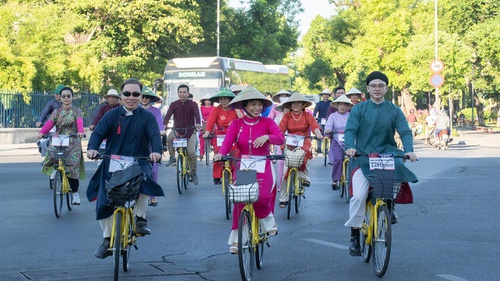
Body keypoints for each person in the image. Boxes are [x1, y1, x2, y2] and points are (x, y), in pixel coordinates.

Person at [86, 78, 164, 259]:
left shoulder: (148, 117)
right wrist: (92, 148)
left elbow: (154, 137)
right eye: (127, 94)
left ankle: (140, 219)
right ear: (121, 96)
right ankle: (107, 240)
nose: (131, 97)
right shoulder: (111, 115)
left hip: (139, 161)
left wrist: (157, 153)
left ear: (141, 96)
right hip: (112, 162)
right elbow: (98, 133)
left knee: (145, 178)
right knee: (103, 199)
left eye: (136, 94)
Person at [344, 71, 418, 256]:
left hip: (386, 154)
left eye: (381, 86)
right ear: (367, 89)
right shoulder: (358, 109)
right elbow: (350, 130)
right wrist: (350, 147)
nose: (377, 89)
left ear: (386, 88)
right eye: (373, 86)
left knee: (399, 167)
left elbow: (405, 131)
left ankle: (390, 206)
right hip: (363, 156)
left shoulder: (394, 110)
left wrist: (409, 149)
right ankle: (354, 234)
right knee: (359, 196)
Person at [213, 86, 285, 253]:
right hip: (244, 165)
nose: (257, 108)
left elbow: (280, 137)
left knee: (262, 195)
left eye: (259, 104)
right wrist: (220, 154)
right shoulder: (236, 124)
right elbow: (227, 143)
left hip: (264, 164)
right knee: (241, 200)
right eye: (252, 104)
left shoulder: (268, 122)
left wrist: (268, 136)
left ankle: (267, 219)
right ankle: (238, 240)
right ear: (244, 106)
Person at [37, 86, 86, 205]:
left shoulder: (76, 111)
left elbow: (79, 122)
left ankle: (75, 194)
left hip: (73, 140)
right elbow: (50, 123)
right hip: (59, 139)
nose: (66, 98)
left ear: (72, 97)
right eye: (63, 96)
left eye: (68, 96)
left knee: (72, 167)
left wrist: (80, 131)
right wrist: (42, 132)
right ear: (60, 98)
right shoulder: (56, 112)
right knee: (51, 155)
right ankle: (55, 169)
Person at [278, 92, 323, 207]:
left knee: (303, 156)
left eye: (299, 102)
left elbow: (314, 125)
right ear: (290, 104)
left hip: (304, 141)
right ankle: (283, 198)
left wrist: (318, 133)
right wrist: (278, 138)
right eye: (294, 103)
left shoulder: (307, 115)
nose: (296, 105)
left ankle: (305, 177)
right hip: (290, 141)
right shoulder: (287, 116)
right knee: (285, 171)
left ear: (303, 104)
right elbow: (280, 130)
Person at [202, 88, 243, 184]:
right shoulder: (216, 110)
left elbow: (242, 119)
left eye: (225, 99)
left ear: (230, 99)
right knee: (218, 155)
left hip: (234, 135)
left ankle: (235, 175)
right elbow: (211, 122)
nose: (223, 101)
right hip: (220, 135)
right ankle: (216, 176)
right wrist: (207, 132)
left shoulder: (235, 109)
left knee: (235, 155)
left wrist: (236, 107)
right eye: (220, 99)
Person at [163, 84, 202, 184]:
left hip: (190, 131)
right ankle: (172, 157)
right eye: (180, 92)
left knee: (192, 153)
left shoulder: (193, 104)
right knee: (168, 137)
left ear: (188, 93)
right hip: (177, 131)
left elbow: (197, 115)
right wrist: (164, 125)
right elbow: (167, 116)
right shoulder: (173, 104)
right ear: (177, 93)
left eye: (184, 92)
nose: (182, 94)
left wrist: (197, 124)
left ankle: (193, 173)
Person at [140, 86, 165, 207]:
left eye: (147, 97)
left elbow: (160, 125)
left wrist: (160, 131)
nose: (144, 99)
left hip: (151, 143)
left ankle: (153, 196)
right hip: (137, 143)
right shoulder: (134, 109)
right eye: (142, 96)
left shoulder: (156, 111)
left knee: (153, 170)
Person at [324, 94, 352, 190]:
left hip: (350, 140)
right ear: (337, 106)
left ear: (348, 106)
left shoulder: (351, 115)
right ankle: (335, 180)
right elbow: (328, 127)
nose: (343, 106)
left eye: (345, 105)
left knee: (354, 159)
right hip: (336, 140)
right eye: (340, 104)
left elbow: (356, 126)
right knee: (338, 159)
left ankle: (354, 180)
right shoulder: (333, 116)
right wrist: (328, 130)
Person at [199, 93, 215, 162]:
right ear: (204, 101)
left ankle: (216, 153)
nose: (207, 102)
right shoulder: (201, 108)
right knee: (201, 137)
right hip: (204, 123)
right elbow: (200, 116)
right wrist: (203, 120)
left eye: (209, 100)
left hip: (213, 124)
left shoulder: (214, 108)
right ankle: (201, 153)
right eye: (206, 100)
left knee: (215, 137)